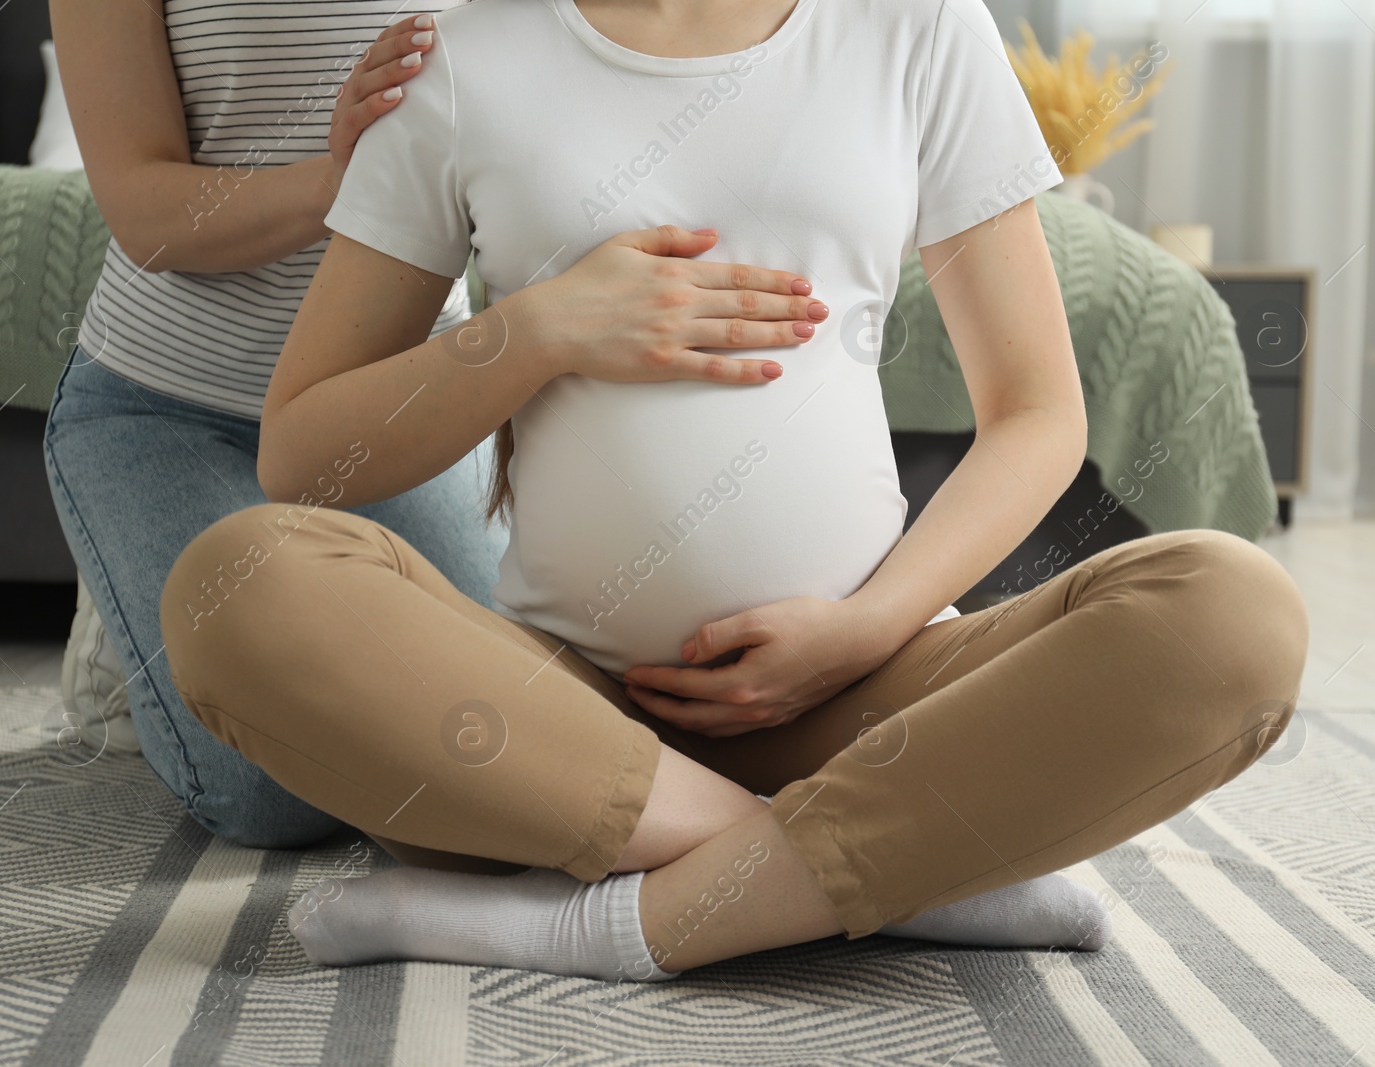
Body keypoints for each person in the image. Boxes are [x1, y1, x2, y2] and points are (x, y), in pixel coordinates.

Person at [160, 0, 1310, 981]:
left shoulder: (914, 24)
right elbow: (305, 452)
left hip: (872, 701)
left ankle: (604, 919)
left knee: (1233, 615)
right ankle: (876, 871)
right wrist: (537, 330)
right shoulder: (462, 59)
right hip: (565, 728)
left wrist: (862, 628)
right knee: (233, 583)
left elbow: (1038, 414)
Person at [43, 0, 822, 849]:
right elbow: (144, 213)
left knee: (522, 716)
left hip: (397, 398)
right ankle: (117, 648)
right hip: (167, 404)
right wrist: (354, 180)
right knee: (276, 798)